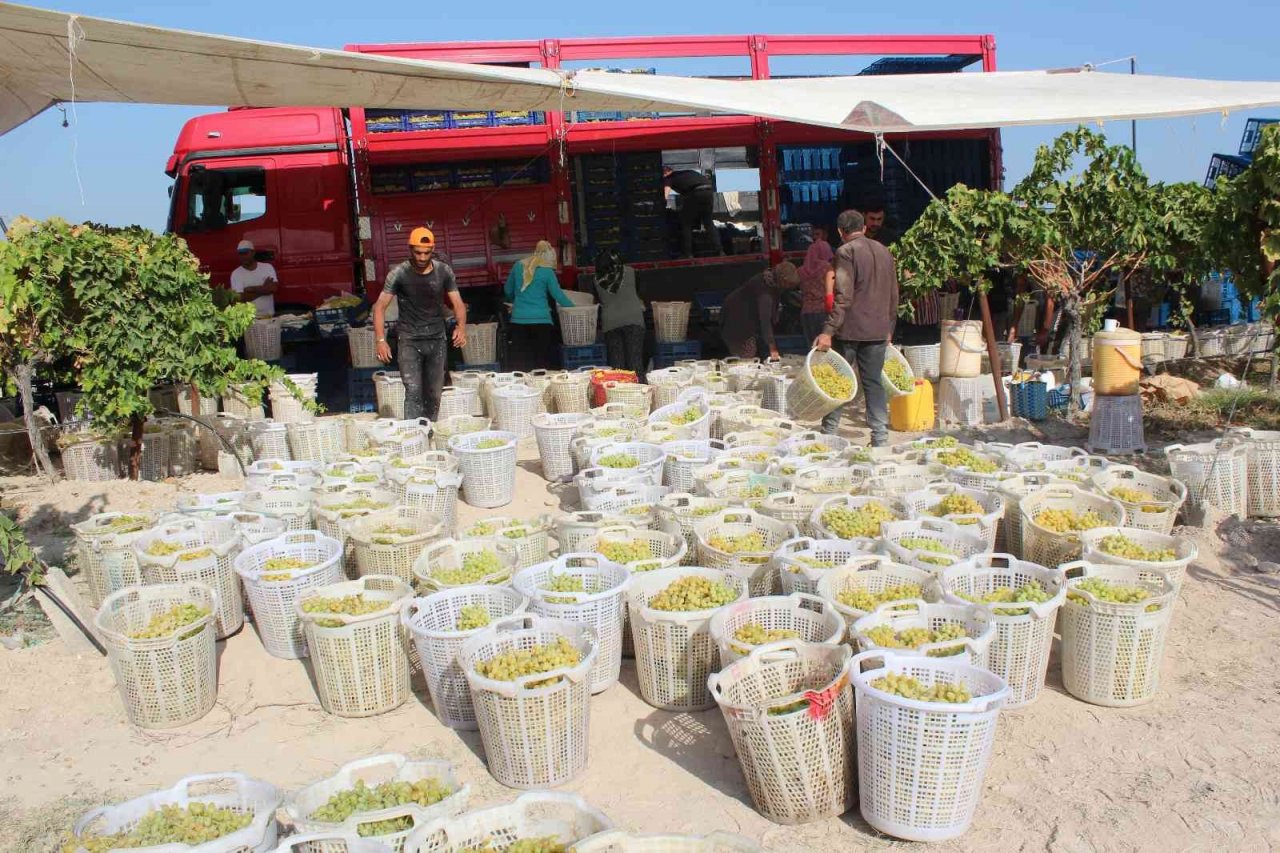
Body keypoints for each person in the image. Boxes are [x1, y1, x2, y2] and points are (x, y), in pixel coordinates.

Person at [815, 210, 900, 446]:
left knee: (839, 379)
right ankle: (880, 437)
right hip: (878, 329)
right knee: (873, 382)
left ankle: (829, 433)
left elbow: (843, 296)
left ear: (840, 232)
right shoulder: (884, 251)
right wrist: (889, 326)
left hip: (850, 329)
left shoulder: (845, 252)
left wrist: (828, 331)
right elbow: (894, 293)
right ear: (863, 228)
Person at [372, 227, 467, 421]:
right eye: (418, 253)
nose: (422, 257)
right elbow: (380, 307)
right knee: (413, 391)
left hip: (436, 339)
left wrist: (461, 327)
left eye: (426, 253)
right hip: (409, 340)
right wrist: (380, 340)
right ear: (410, 249)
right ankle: (414, 433)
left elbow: (458, 304)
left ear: (432, 250)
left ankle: (429, 430)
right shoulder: (399, 273)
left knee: (434, 393)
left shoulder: (443, 272)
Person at [503, 240, 575, 371]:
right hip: (542, 322)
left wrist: (515, 301)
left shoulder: (518, 266)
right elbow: (557, 295)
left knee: (521, 363)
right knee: (541, 362)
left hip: (519, 321)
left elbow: (508, 290)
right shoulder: (547, 271)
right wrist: (574, 308)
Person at [720, 262, 801, 360]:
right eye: (789, 284)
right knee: (747, 357)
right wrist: (772, 348)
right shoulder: (764, 293)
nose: (790, 287)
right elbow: (765, 320)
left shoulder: (768, 280)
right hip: (737, 324)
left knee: (747, 354)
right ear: (783, 281)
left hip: (735, 318)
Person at [594, 248, 646, 377]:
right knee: (635, 363)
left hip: (610, 323)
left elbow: (598, 300)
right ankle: (641, 388)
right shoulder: (631, 272)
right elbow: (637, 292)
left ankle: (619, 389)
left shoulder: (596, 280)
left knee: (618, 367)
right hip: (633, 320)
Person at [664, 167, 724, 258]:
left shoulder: (669, 178)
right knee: (708, 222)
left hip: (694, 193)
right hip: (708, 191)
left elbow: (665, 196)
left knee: (686, 224)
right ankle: (720, 251)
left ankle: (687, 253)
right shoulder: (687, 172)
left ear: (665, 173)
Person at [797, 226, 835, 343]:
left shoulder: (800, 271)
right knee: (825, 349)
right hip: (823, 312)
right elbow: (832, 292)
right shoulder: (828, 268)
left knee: (812, 348)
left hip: (806, 313)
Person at [229, 240, 278, 317]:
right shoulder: (236, 274)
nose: (243, 257)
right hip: (248, 319)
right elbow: (240, 299)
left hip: (268, 316)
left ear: (253, 252)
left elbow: (273, 288)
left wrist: (251, 289)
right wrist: (264, 289)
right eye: (240, 254)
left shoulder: (267, 267)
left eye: (245, 253)